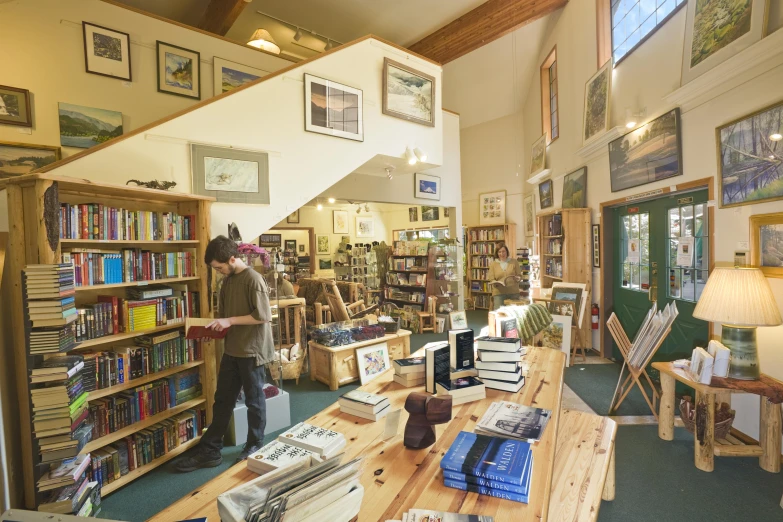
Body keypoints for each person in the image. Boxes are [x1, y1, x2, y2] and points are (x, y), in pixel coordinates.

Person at [174, 235, 274, 472]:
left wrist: (228, 320)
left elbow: (263, 316)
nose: (218, 272)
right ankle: (210, 449)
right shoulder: (227, 281)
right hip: (232, 349)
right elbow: (228, 318)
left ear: (232, 259)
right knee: (222, 400)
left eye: (219, 267)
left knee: (254, 401)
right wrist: (216, 329)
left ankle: (255, 444)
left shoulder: (254, 279)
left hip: (252, 350)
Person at [487, 243, 522, 310]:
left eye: (503, 251)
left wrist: (518, 278)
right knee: (499, 314)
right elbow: (491, 278)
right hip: (499, 293)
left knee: (513, 314)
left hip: (513, 292)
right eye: (499, 252)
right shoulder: (493, 264)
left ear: (507, 252)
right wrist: (495, 282)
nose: (502, 254)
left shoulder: (514, 262)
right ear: (497, 253)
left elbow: (520, 276)